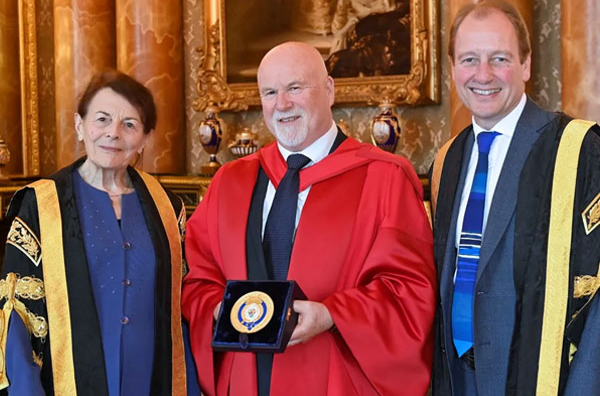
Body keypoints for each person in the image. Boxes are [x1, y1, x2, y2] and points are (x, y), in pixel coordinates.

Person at [182, 41, 436, 396]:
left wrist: (334, 315)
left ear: (329, 90)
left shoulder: (384, 178)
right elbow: (198, 280)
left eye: (295, 88)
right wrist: (219, 311)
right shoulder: (229, 182)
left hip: (336, 379)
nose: (282, 104)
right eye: (270, 92)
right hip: (247, 380)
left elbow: (409, 293)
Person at [430, 0, 600, 395]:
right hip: (459, 378)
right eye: (469, 59)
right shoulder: (448, 159)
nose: (483, 74)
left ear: (525, 65)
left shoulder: (579, 151)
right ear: (453, 67)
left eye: (500, 58)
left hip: (537, 378)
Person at [0, 70, 201, 395]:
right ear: (81, 125)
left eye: (130, 124)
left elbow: (180, 315)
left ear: (146, 137)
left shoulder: (167, 206)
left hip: (153, 384)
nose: (114, 134)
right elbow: (17, 320)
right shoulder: (40, 205)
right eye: (102, 119)